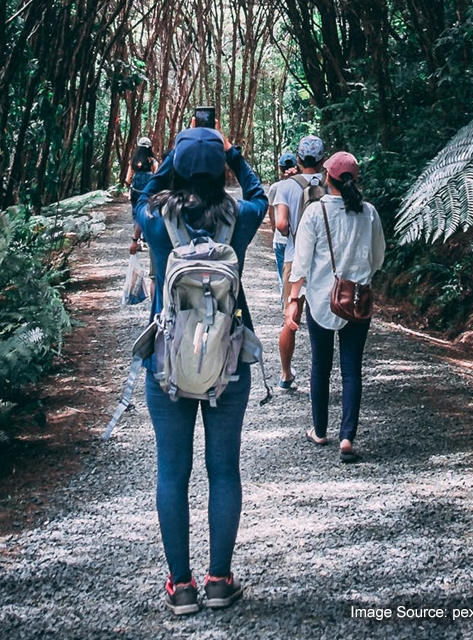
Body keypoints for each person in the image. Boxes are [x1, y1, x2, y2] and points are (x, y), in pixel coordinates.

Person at [134, 123, 267, 615]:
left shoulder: (156, 220)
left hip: (166, 365)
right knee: (223, 470)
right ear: (221, 170)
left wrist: (167, 158)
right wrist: (236, 156)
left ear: (179, 168)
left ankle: (181, 586)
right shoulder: (242, 218)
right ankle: (218, 580)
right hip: (228, 365)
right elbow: (258, 193)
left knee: (172, 472)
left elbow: (141, 191)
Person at [284, 151, 385, 463]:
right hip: (357, 300)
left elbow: (300, 263)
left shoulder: (315, 213)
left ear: (327, 178)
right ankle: (347, 438)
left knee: (321, 365)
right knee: (352, 368)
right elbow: (378, 257)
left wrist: (293, 300)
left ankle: (319, 429)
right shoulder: (368, 212)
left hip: (321, 299)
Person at [273, 135, 325, 390]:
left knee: (291, 318)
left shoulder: (287, 186)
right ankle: (321, 376)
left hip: (295, 260)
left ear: (300, 158)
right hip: (325, 262)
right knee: (323, 320)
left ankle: (285, 373)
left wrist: (291, 234)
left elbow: (281, 223)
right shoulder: (331, 182)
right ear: (322, 159)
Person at [266, 153, 299, 300]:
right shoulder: (301, 186)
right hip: (297, 239)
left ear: (280, 168)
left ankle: (285, 306)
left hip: (280, 239)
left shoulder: (275, 188)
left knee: (282, 275)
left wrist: (274, 228)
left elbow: (271, 210)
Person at [127, 136, 158, 255]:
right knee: (148, 212)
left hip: (135, 191)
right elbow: (157, 174)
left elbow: (128, 177)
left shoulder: (133, 161)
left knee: (136, 213)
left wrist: (130, 184)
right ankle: (145, 239)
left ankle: (137, 239)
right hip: (149, 191)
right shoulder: (152, 161)